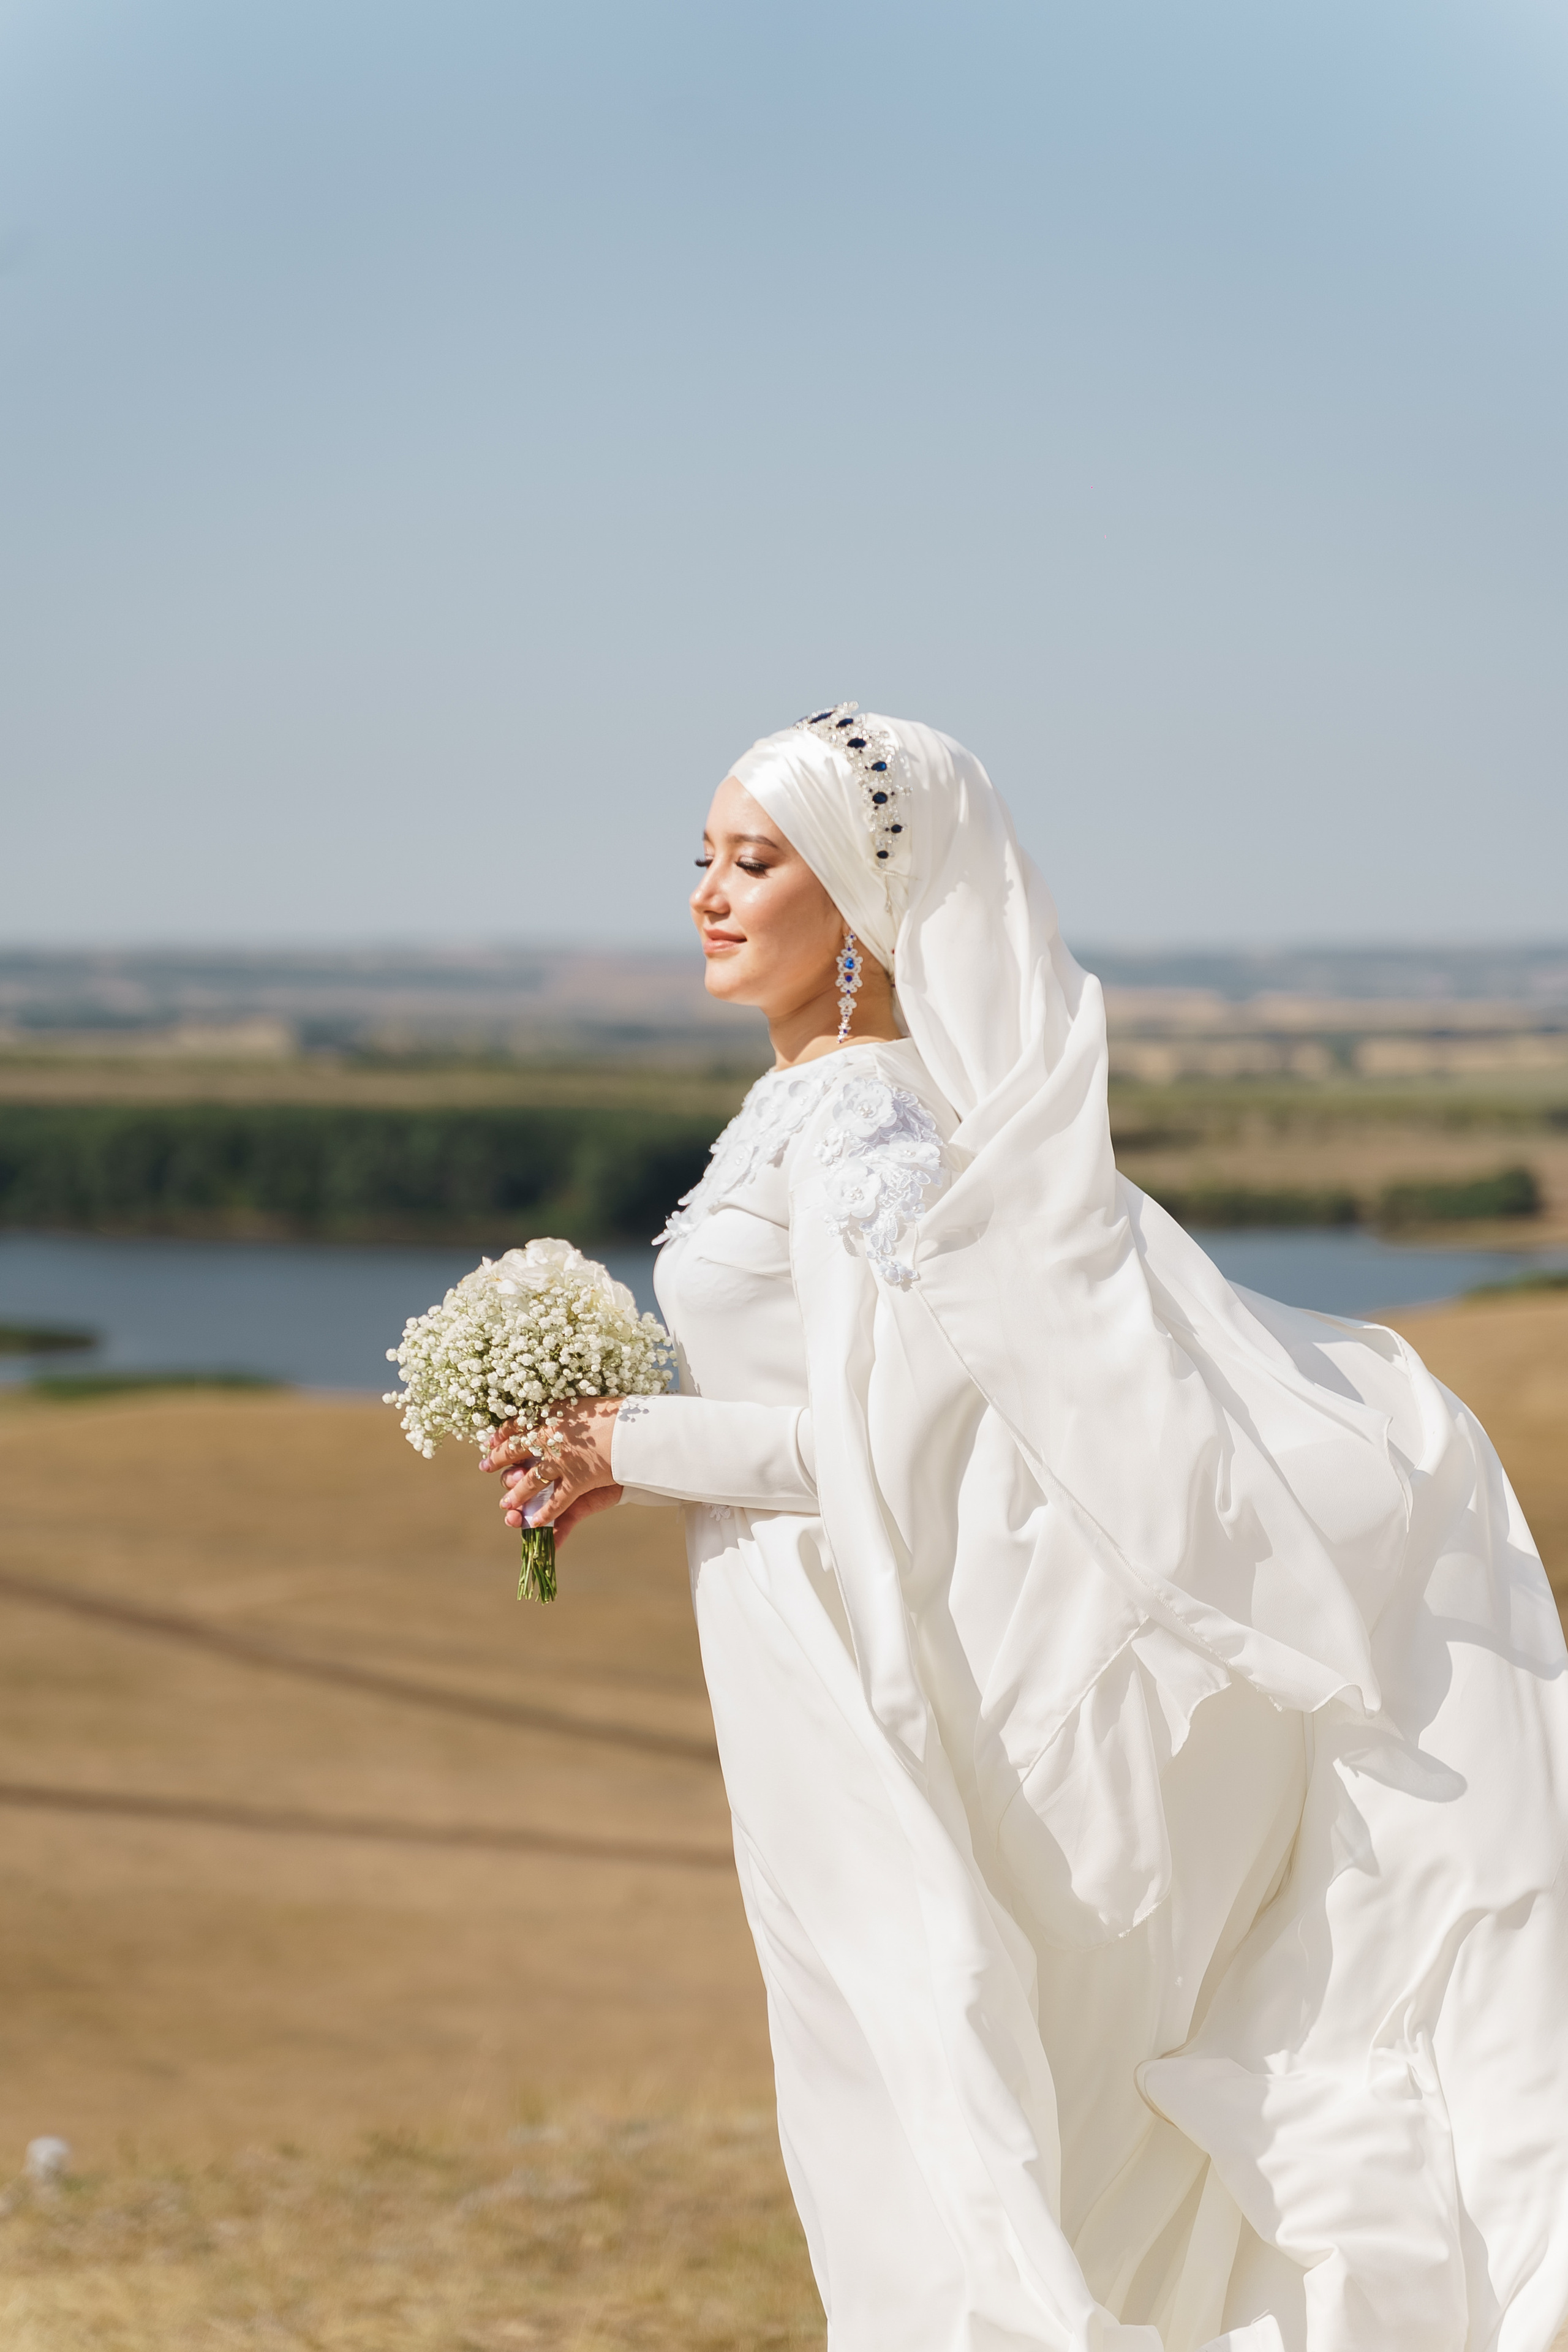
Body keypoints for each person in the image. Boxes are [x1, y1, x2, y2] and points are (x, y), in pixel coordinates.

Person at [483, 707, 1568, 2352]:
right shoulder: (819, 1102)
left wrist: (626, 1437)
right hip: (802, 1640)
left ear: (856, 900)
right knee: (892, 2079)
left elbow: (916, 1438)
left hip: (878, 1669)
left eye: (755, 863)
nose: (709, 896)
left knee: (922, 2088)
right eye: (700, 860)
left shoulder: (867, 1121)